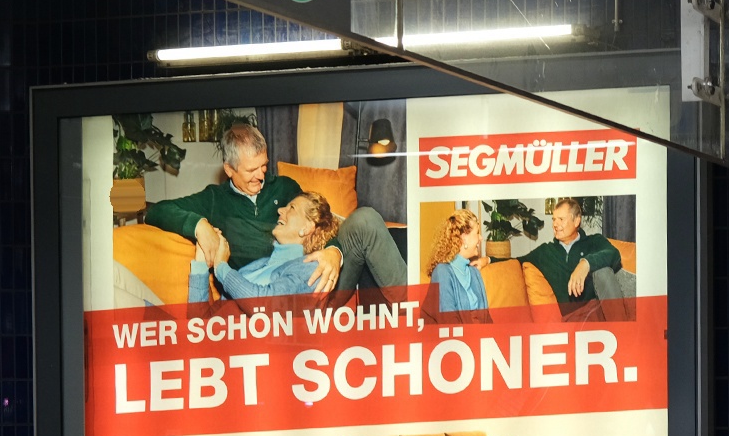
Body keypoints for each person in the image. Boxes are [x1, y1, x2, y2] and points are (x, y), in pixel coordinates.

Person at [148, 122, 403, 294]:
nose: (261, 175)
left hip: (319, 283)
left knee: (366, 220)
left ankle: (416, 311)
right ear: (229, 169)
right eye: (251, 170)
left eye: (264, 165)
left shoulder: (284, 187)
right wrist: (199, 225)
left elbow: (317, 222)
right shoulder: (215, 199)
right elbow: (156, 210)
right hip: (267, 292)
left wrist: (334, 251)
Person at [188, 191, 408, 303]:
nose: (279, 210)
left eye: (291, 208)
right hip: (218, 353)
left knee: (364, 219)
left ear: (307, 227)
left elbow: (263, 304)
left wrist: (221, 266)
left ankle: (414, 309)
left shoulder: (308, 266)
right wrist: (200, 263)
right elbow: (199, 327)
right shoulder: (257, 266)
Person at [520, 197, 628, 313]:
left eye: (561, 219)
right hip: (575, 317)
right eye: (554, 219)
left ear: (576, 221)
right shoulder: (545, 251)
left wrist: (586, 264)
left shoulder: (594, 241)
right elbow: (514, 261)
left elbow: (614, 254)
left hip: (602, 310)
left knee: (604, 272)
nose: (555, 224)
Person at [426, 208, 490, 316]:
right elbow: (448, 321)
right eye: (477, 233)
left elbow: (487, 318)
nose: (481, 238)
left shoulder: (474, 272)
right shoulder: (442, 272)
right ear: (464, 238)